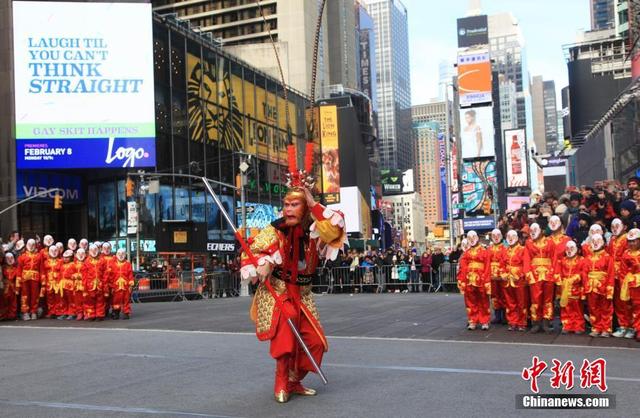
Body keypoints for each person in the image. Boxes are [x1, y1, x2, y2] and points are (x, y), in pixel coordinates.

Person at [239, 177, 347, 403]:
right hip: (278, 290)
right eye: (286, 204)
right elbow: (253, 250)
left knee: (316, 342)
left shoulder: (316, 230)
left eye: (294, 205)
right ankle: (281, 380)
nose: (288, 209)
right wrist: (264, 263)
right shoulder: (275, 229)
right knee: (287, 329)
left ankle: (294, 380)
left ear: (305, 207)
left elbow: (335, 231)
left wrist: (313, 202)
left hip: (304, 293)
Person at [524, 223, 556, 333]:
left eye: (535, 229)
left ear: (541, 230)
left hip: (548, 274)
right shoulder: (528, 243)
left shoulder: (550, 242)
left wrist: (554, 272)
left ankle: (546, 322)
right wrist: (528, 274)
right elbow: (527, 260)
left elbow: (554, 258)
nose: (532, 232)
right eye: (531, 230)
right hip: (534, 274)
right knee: (535, 299)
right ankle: (536, 322)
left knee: (548, 299)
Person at [457, 231, 491, 330]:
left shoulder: (484, 251)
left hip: (481, 279)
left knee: (483, 300)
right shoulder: (466, 253)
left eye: (473, 237)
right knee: (470, 301)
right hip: (469, 280)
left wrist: (486, 279)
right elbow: (463, 268)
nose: (471, 239)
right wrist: (462, 281)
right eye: (469, 237)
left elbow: (487, 266)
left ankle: (484, 321)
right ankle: (472, 320)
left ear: (477, 238)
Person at [583, 234, 614, 337]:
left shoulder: (608, 257)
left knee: (606, 308)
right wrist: (586, 285)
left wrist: (609, 289)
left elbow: (610, 274)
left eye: (598, 240)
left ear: (604, 243)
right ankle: (596, 327)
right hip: (591, 287)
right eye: (593, 240)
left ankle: (606, 328)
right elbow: (584, 273)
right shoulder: (587, 258)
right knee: (593, 308)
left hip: (603, 286)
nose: (595, 242)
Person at [555, 241, 585, 334]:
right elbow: (558, 272)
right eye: (567, 248)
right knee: (565, 307)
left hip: (576, 287)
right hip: (564, 288)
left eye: (571, 248)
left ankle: (578, 326)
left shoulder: (582, 260)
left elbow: (583, 273)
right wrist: (559, 281)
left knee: (577, 308)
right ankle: (567, 325)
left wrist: (575, 278)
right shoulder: (562, 260)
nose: (569, 251)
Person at [608, 219, 632, 338]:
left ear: (625, 226)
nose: (614, 228)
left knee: (627, 301)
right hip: (613, 274)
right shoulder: (612, 239)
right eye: (612, 226)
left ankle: (631, 326)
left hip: (625, 274)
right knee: (617, 300)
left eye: (617, 226)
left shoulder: (628, 239)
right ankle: (623, 325)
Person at [500, 230, 528, 331]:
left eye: (513, 236)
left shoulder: (523, 249)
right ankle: (512, 321)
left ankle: (522, 322)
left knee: (521, 302)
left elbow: (526, 264)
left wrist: (521, 274)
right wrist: (502, 273)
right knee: (509, 302)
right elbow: (502, 264)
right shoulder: (505, 250)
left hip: (519, 279)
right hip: (507, 279)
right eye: (508, 236)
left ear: (517, 238)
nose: (510, 238)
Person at [619, 228, 640, 341]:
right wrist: (624, 285)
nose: (632, 243)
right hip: (631, 284)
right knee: (634, 307)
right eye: (630, 241)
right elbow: (623, 271)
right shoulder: (626, 254)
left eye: (634, 240)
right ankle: (637, 329)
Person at [16, 239, 44, 321]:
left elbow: (41, 269)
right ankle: (25, 312)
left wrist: (43, 280)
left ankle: (34, 311)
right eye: (29, 244)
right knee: (25, 296)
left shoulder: (39, 256)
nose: (31, 246)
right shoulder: (22, 257)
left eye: (33, 244)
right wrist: (18, 283)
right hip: (25, 279)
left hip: (35, 278)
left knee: (35, 295)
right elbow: (19, 270)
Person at [108, 248, 135, 320]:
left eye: (122, 254)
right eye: (119, 254)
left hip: (125, 286)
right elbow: (110, 276)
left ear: (125, 255)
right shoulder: (112, 264)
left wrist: (131, 283)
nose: (121, 255)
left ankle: (126, 313)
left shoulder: (128, 264)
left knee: (126, 300)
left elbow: (130, 274)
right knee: (115, 300)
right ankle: (116, 312)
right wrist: (110, 285)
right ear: (116, 255)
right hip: (116, 286)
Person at [82, 244, 106, 321]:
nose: (94, 252)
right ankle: (91, 315)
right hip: (90, 285)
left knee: (100, 300)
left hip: (100, 284)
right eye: (92, 250)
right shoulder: (86, 262)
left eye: (95, 250)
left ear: (98, 251)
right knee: (89, 301)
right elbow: (84, 275)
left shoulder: (102, 261)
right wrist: (85, 287)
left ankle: (100, 315)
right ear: (89, 251)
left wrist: (104, 284)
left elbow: (105, 274)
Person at [488, 229, 507, 324]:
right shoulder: (489, 249)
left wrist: (502, 273)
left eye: (498, 235)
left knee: (503, 295)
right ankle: (497, 316)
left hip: (501, 276)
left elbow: (505, 262)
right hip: (491, 276)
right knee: (494, 296)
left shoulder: (505, 249)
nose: (496, 237)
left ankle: (504, 316)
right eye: (494, 235)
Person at [42, 245, 63, 319]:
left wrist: (61, 281)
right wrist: (43, 282)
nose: (54, 253)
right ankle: (51, 312)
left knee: (58, 297)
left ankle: (58, 312)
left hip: (57, 282)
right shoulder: (45, 262)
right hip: (49, 282)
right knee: (49, 298)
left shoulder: (61, 261)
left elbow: (62, 272)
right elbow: (43, 272)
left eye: (55, 251)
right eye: (52, 251)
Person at [58, 250, 75, 320]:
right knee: (63, 299)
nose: (65, 259)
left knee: (71, 299)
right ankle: (64, 312)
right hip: (62, 284)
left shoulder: (73, 265)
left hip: (70, 284)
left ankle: (72, 313)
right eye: (64, 257)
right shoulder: (62, 266)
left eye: (67, 257)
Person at [1, 252, 18, 321]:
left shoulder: (15, 268)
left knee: (13, 301)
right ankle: (3, 315)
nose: (10, 260)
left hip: (13, 287)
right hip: (5, 287)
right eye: (8, 258)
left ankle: (12, 315)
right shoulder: (3, 268)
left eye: (11, 258)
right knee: (4, 302)